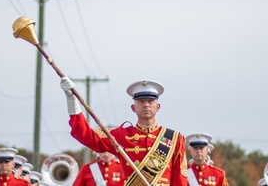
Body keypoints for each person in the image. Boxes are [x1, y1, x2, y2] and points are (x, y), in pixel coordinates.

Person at [60, 77, 188, 186]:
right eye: (141, 101)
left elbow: (180, 180)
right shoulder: (121, 135)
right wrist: (71, 100)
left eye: (150, 101)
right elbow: (85, 135)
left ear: (158, 107)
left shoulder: (175, 138)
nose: (146, 105)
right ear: (133, 107)